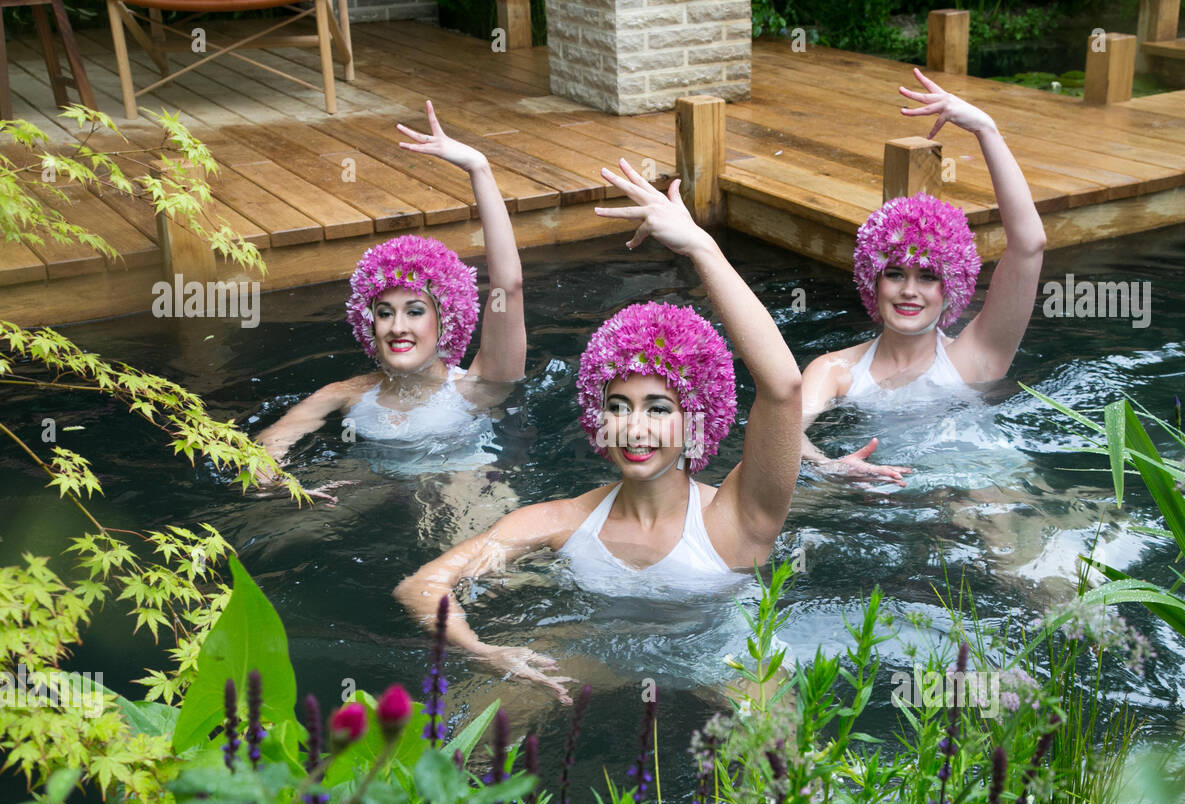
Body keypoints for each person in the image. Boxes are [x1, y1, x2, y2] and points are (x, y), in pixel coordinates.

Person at [394, 158, 803, 704]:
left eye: (658, 408)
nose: (635, 428)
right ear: (597, 418)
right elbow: (422, 586)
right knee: (465, 722)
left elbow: (783, 388)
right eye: (619, 407)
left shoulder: (737, 520)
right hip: (599, 649)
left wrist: (702, 248)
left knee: (781, 782)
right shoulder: (560, 521)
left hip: (726, 656)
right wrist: (488, 654)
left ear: (695, 418)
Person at [250, 100, 526, 499]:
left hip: (464, 494)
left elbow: (509, 287)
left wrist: (479, 169)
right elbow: (267, 446)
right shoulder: (345, 393)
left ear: (446, 320)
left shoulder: (478, 388)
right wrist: (277, 487)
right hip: (372, 490)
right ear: (369, 324)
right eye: (384, 313)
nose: (397, 327)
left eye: (415, 311)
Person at [800, 68, 1046, 488]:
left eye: (928, 276)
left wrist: (987, 130)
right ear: (871, 281)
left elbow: (1029, 245)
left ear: (950, 287)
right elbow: (780, 433)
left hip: (991, 491)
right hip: (893, 506)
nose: (909, 291)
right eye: (894, 273)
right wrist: (829, 465)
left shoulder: (976, 358)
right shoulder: (834, 371)